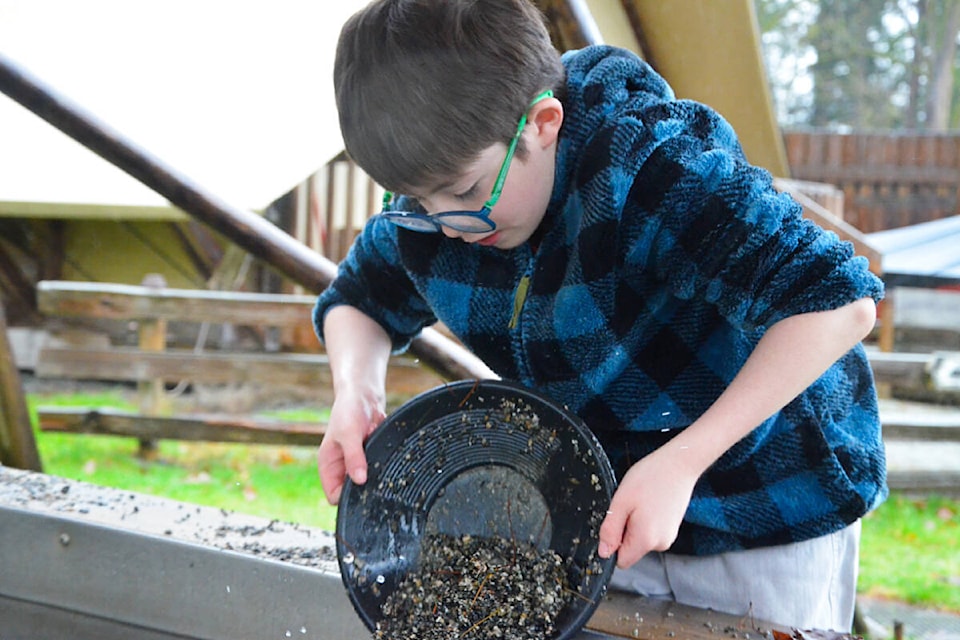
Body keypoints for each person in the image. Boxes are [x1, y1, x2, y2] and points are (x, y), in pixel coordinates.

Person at [313, 0, 886, 631]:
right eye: (417, 200)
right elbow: (358, 299)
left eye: (466, 192)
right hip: (605, 506)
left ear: (542, 123)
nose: (445, 224)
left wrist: (685, 460)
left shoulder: (652, 168)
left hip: (766, 498)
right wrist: (356, 391)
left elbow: (838, 303)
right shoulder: (430, 210)